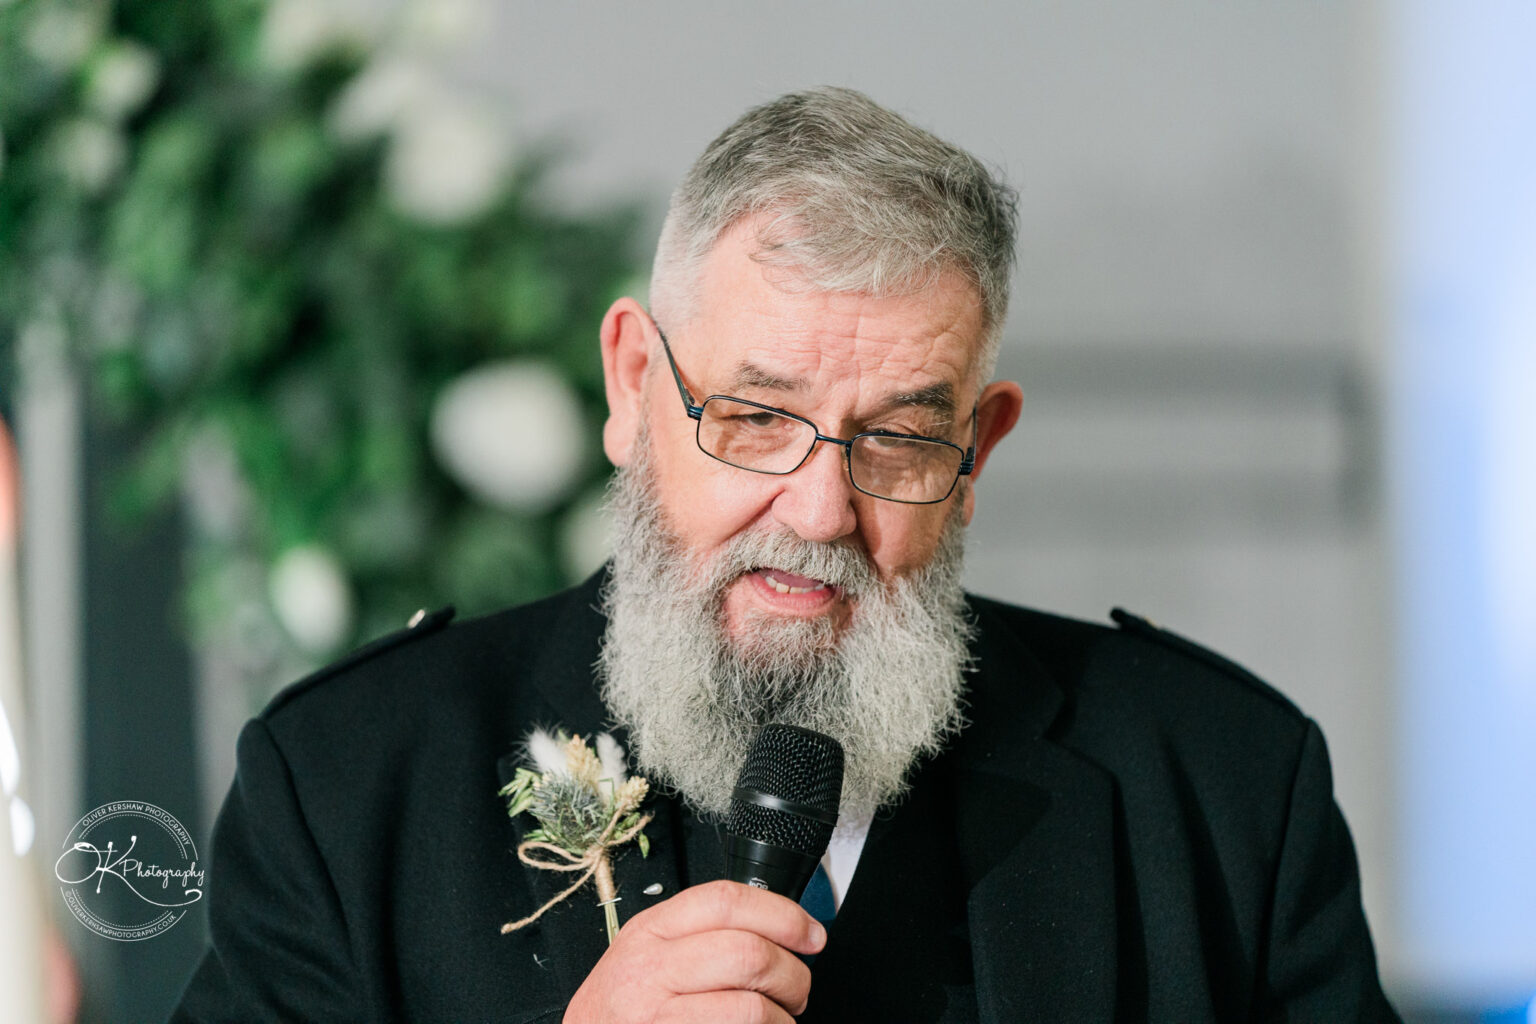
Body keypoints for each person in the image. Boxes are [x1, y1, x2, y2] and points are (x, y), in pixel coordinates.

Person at [171, 87, 1399, 1023]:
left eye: (903, 438)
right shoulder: (344, 789)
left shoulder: (1224, 790)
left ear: (981, 447)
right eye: (756, 418)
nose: (818, 510)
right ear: (635, 382)